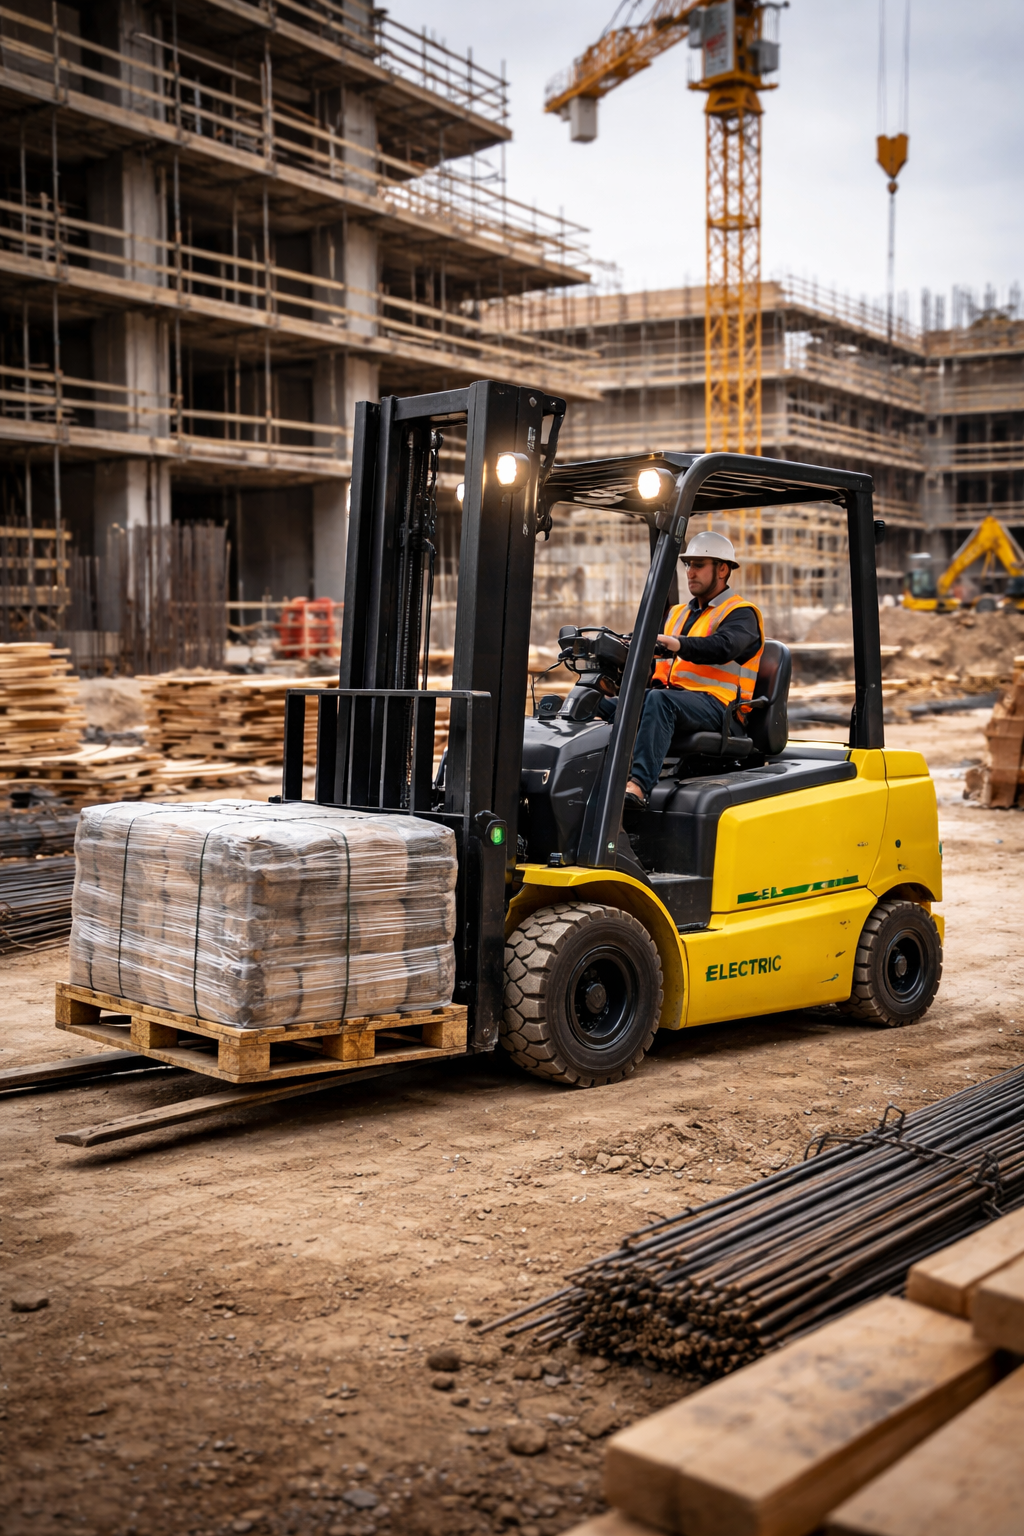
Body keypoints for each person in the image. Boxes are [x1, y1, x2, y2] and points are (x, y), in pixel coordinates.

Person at [616, 531, 765, 807]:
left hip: (721, 709)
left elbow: (724, 646)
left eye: (698, 565)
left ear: (722, 569)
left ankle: (638, 787)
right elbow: (654, 651)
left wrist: (677, 644)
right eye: (687, 565)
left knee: (659, 701)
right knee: (604, 704)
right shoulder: (677, 613)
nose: (690, 572)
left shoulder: (741, 613)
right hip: (677, 700)